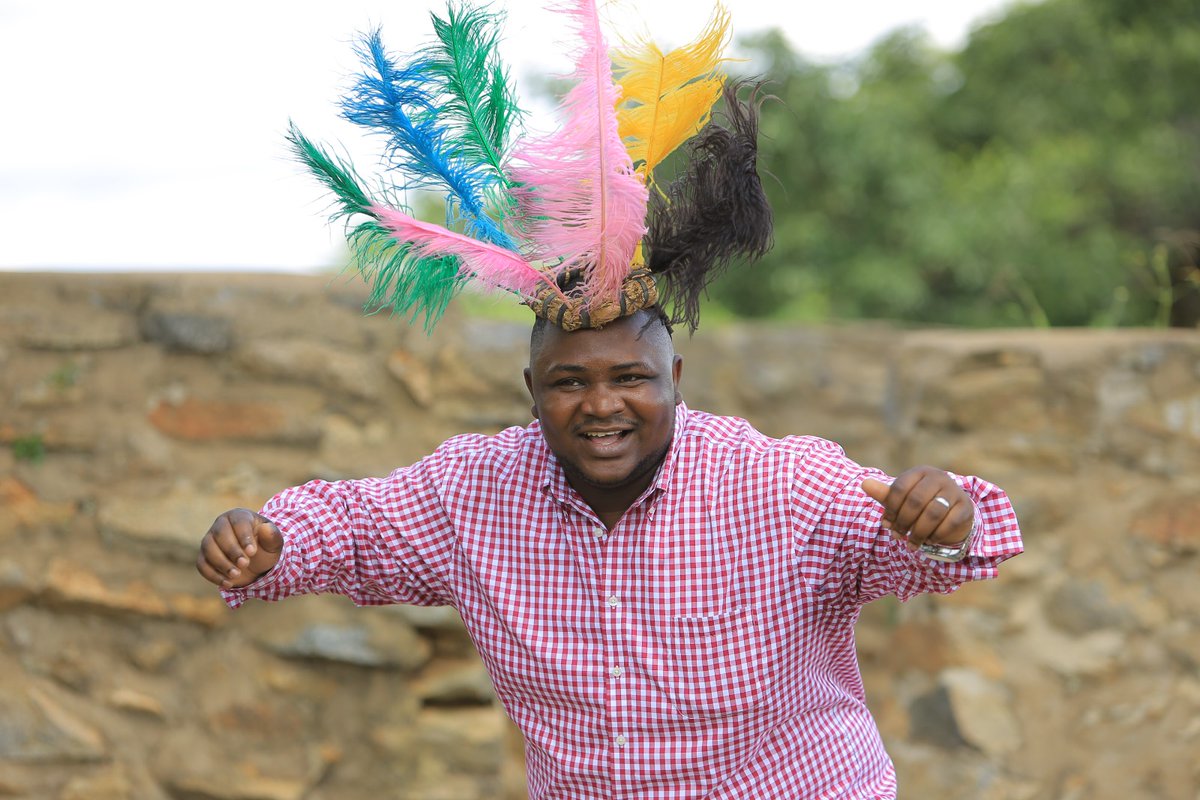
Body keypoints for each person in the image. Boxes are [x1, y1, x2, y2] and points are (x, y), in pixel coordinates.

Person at [197, 2, 1023, 796]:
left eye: (630, 378)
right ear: (532, 392)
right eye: (569, 382)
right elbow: (348, 529)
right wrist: (269, 541)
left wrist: (947, 518)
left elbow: (953, 540)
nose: (601, 405)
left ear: (675, 383)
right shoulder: (472, 496)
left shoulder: (781, 487)